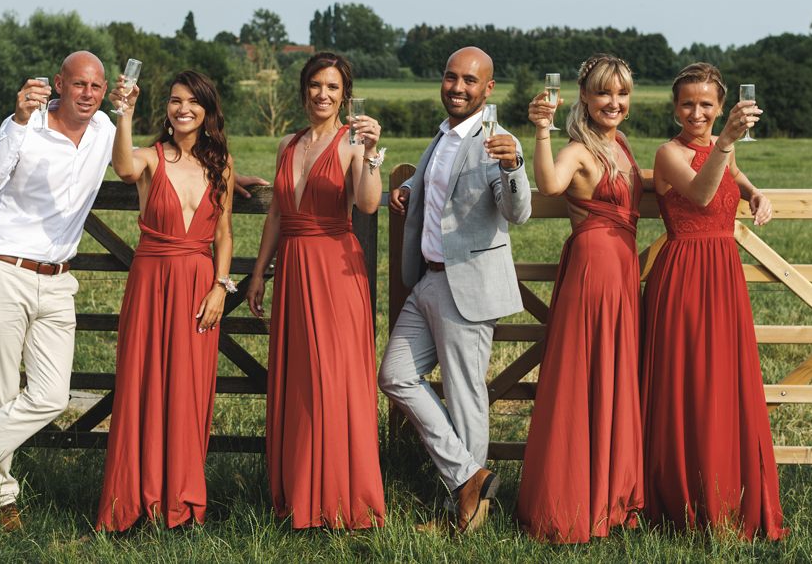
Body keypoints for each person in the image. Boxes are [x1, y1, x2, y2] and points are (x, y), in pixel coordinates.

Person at [0, 52, 266, 531]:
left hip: (59, 278)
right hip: (6, 268)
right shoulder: (26, 122)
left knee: (51, 395)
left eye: (96, 87)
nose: (87, 94)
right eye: (78, 84)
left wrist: (223, 175)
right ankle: (0, 502)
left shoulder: (102, 129)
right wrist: (16, 121)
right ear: (59, 84)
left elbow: (162, 164)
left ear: (105, 92)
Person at [378, 47, 532, 534]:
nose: (458, 87)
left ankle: (465, 517)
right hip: (426, 280)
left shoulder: (493, 140)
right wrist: (409, 191)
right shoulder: (442, 134)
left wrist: (514, 166)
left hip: (465, 286)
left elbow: (517, 212)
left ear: (488, 89)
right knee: (395, 375)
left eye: (470, 80)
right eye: (451, 77)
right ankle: (470, 478)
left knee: (466, 400)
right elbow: (436, 190)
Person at [641, 63, 787, 540]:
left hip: (724, 274)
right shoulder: (668, 153)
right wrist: (725, 141)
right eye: (688, 103)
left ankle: (730, 492)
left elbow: (733, 178)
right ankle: (689, 500)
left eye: (707, 104)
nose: (697, 112)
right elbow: (703, 196)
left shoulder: (717, 149)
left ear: (721, 106)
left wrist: (757, 193)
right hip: (684, 276)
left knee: (726, 382)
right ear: (675, 107)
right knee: (690, 384)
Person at [246, 51, 386, 529]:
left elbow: (367, 204)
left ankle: (341, 495)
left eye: (332, 87)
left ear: (345, 94)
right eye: (314, 86)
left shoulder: (351, 142)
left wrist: (370, 155)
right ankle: (300, 488)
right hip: (292, 271)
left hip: (335, 271)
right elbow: (278, 214)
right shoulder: (288, 142)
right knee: (300, 381)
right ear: (303, 90)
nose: (322, 94)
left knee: (335, 379)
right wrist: (260, 271)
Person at [515, 54, 648, 543]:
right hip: (594, 268)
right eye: (604, 93)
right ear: (585, 98)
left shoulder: (622, 144)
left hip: (621, 268)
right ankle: (571, 500)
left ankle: (609, 494)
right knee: (584, 374)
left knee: (614, 375)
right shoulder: (578, 147)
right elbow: (549, 184)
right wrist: (542, 131)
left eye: (622, 94)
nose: (614, 102)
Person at [96, 71, 235, 530]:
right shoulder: (150, 158)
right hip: (152, 282)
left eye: (192, 102)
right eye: (175, 101)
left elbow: (223, 233)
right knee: (143, 384)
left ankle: (182, 498)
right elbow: (121, 168)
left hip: (200, 287)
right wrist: (125, 113)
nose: (182, 109)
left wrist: (221, 286)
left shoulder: (222, 165)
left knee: (189, 389)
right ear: (167, 109)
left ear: (207, 109)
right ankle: (135, 498)